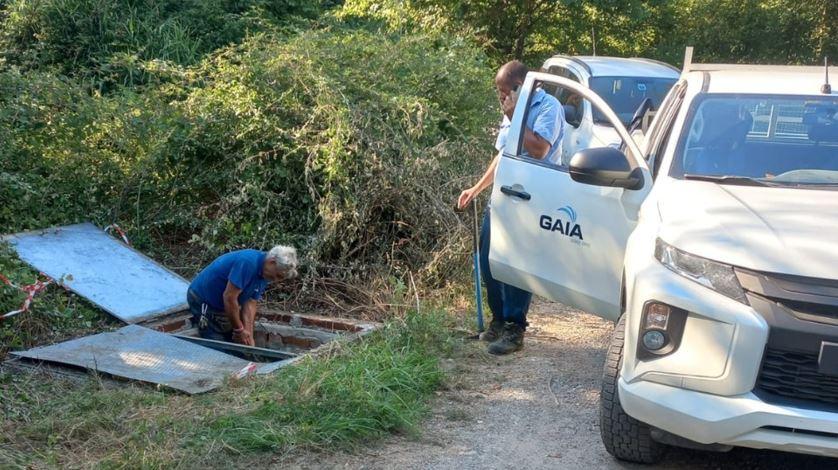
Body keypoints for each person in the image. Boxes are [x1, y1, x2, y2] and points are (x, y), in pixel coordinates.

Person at [457, 60, 564, 355]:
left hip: (531, 197)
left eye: (506, 91)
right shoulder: (509, 110)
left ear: (524, 86)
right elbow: (503, 155)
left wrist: (516, 114)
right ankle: (498, 321)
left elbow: (539, 148)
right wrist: (477, 188)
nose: (502, 97)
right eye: (499, 92)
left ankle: (515, 330)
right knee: (489, 258)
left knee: (517, 265)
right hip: (502, 196)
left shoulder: (548, 107)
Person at [187, 246, 298, 345]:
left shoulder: (265, 273)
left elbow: (250, 302)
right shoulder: (248, 263)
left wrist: (249, 336)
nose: (276, 280)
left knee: (237, 343)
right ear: (272, 262)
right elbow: (229, 297)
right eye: (277, 275)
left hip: (223, 305)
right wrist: (239, 330)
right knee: (218, 347)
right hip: (203, 299)